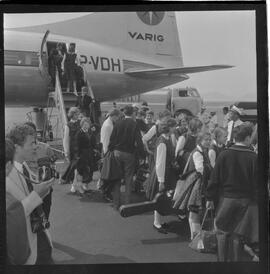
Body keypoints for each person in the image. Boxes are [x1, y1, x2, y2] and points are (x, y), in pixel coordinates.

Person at [206, 122, 258, 261]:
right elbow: (257, 183)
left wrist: (209, 198)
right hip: (245, 201)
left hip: (226, 199)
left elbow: (214, 179)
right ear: (247, 138)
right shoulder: (253, 157)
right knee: (237, 234)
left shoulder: (224, 154)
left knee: (222, 231)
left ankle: (222, 262)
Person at [6, 125, 54, 264]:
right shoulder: (7, 173)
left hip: (37, 234)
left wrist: (43, 188)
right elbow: (12, 213)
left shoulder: (23, 165)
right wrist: (37, 195)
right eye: (32, 143)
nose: (36, 146)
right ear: (16, 147)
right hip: (27, 244)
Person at [108, 105, 145, 209]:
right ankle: (127, 204)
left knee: (117, 178)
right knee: (128, 178)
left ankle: (116, 203)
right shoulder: (134, 124)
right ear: (132, 113)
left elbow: (112, 139)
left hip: (117, 153)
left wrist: (111, 150)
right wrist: (142, 155)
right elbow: (139, 141)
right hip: (129, 154)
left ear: (124, 113)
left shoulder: (118, 122)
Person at [145, 118, 178, 234]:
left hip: (166, 172)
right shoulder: (162, 143)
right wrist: (161, 181)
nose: (175, 128)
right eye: (174, 126)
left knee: (162, 198)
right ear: (169, 128)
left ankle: (158, 221)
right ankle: (156, 223)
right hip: (163, 174)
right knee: (159, 198)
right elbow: (160, 163)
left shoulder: (166, 139)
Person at [23, 121, 56, 220]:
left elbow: (53, 163)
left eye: (31, 133)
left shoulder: (46, 148)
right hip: (27, 189)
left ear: (35, 133)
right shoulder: (21, 151)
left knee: (45, 216)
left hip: (44, 190)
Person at [99, 109, 121, 200]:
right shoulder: (108, 125)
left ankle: (105, 191)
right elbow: (106, 141)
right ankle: (106, 193)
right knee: (109, 174)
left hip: (107, 151)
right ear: (114, 116)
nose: (118, 119)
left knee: (108, 174)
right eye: (117, 117)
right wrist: (106, 154)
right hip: (108, 152)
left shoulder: (108, 123)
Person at [62, 107, 81, 190]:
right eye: (76, 114)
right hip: (73, 149)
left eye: (78, 114)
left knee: (76, 167)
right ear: (72, 115)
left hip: (81, 147)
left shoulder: (80, 123)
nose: (78, 115)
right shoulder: (68, 125)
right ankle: (72, 182)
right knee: (75, 166)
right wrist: (66, 151)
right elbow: (66, 139)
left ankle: (71, 181)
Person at [75, 118, 96, 193]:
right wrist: (78, 156)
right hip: (82, 154)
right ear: (82, 124)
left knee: (90, 170)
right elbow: (77, 146)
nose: (86, 126)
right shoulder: (79, 133)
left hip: (90, 154)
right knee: (81, 170)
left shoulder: (90, 132)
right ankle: (80, 186)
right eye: (84, 124)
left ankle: (86, 185)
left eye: (87, 124)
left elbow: (93, 142)